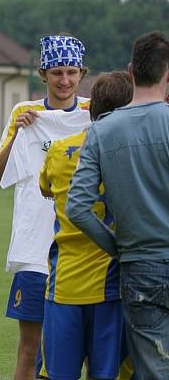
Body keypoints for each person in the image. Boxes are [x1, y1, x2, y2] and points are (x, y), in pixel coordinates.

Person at [67, 31, 169, 378]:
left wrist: (118, 247)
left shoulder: (103, 130)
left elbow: (78, 206)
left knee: (154, 368)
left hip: (140, 263)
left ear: (130, 71)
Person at [0, 34, 90, 380]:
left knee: (84, 349)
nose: (65, 81)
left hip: (83, 249)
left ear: (82, 73)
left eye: (72, 72)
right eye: (57, 72)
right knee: (30, 350)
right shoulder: (24, 113)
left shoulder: (96, 112)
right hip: (34, 249)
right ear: (42, 74)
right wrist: (17, 134)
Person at [39, 71, 133, 380]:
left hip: (64, 283)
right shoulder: (130, 154)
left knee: (60, 374)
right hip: (109, 285)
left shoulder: (58, 150)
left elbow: (45, 188)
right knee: (105, 374)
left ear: (90, 108)